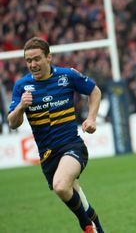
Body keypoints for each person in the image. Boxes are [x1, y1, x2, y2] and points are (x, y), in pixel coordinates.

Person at [7, 37, 104, 233]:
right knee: (79, 200)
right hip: (47, 155)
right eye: (28, 60)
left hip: (72, 146)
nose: (33, 64)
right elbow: (13, 123)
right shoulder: (21, 87)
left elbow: (94, 91)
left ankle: (86, 226)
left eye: (37, 59)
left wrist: (92, 118)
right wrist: (20, 107)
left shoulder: (67, 76)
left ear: (49, 57)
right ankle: (97, 228)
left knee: (61, 186)